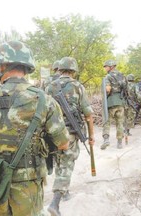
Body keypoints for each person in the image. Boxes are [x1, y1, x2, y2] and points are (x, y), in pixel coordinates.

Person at [0, 41, 70, 215]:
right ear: (26, 67)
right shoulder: (44, 100)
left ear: (3, 66)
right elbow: (63, 144)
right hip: (28, 183)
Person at [45, 57, 95, 216]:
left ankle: (65, 192)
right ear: (73, 71)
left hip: (52, 132)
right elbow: (88, 114)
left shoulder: (49, 87)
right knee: (67, 163)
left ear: (59, 70)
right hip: (70, 133)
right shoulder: (78, 87)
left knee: (60, 158)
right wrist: (91, 134)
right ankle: (55, 202)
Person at [101, 59, 127, 150]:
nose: (105, 68)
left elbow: (108, 89)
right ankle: (119, 143)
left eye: (106, 66)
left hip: (111, 101)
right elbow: (126, 89)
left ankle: (106, 140)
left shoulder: (108, 76)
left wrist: (106, 95)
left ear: (111, 67)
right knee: (120, 123)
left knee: (106, 121)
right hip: (120, 102)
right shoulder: (122, 76)